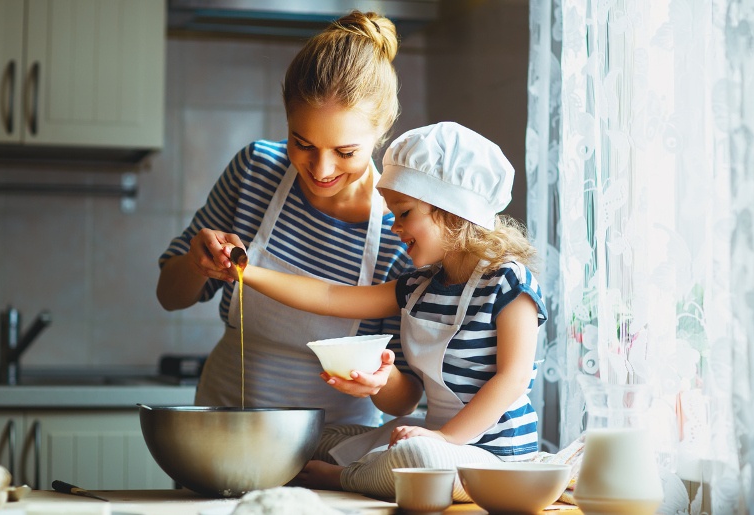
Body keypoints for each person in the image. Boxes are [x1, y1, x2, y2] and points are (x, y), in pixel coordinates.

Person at [233, 122, 548, 501]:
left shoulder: (508, 282)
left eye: (404, 213)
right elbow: (331, 296)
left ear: (450, 209)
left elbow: (512, 379)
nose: (395, 227)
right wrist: (245, 271)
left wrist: (445, 438)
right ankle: (365, 466)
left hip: (494, 459)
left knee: (418, 455)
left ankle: (341, 478)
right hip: (435, 440)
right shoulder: (418, 286)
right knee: (320, 435)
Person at [156, 10, 417, 456]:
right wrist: (198, 263)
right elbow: (170, 294)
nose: (321, 168)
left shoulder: (401, 226)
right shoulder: (255, 171)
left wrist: (379, 380)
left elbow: (405, 395)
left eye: (346, 151)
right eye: (303, 143)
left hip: (332, 451)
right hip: (222, 435)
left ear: (381, 132)